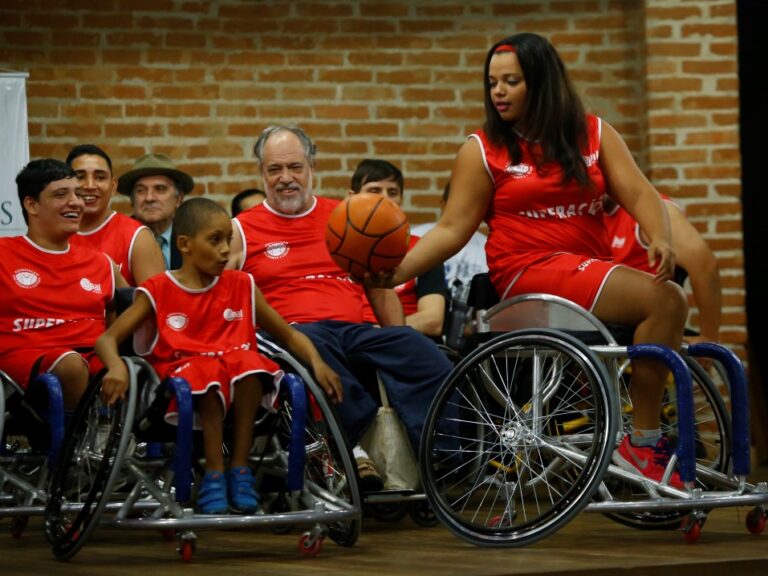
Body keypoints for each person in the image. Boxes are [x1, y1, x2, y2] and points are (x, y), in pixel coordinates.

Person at [375, 33, 689, 488]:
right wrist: (395, 272)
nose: (497, 92)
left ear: (540, 83)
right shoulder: (482, 149)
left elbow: (639, 192)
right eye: (492, 82)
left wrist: (660, 237)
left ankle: (634, 428)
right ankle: (642, 441)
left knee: (668, 300)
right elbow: (449, 230)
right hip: (526, 272)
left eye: (511, 81)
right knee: (665, 300)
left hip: (586, 268)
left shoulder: (594, 132)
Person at [228, 125, 454, 491]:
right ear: (261, 173)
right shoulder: (240, 230)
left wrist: (396, 334)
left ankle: (442, 454)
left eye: (295, 167)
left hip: (353, 330)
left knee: (423, 353)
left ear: (312, 166)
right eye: (274, 170)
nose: (286, 178)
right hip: (289, 334)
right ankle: (356, 445)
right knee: (310, 339)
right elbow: (221, 294)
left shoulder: (347, 218)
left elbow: (378, 288)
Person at [95, 197, 341, 515]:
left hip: (240, 387)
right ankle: (213, 472)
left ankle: (238, 470)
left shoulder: (242, 284)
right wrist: (115, 366)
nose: (226, 249)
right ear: (184, 244)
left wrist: (318, 363)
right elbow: (107, 339)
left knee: (250, 362)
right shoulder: (157, 289)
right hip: (178, 392)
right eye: (215, 240)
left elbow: (290, 334)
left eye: (228, 239)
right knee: (206, 372)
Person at [0, 159, 122, 411]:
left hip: (91, 356)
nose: (76, 202)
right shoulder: (4, 254)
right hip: (23, 363)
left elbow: (139, 306)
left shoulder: (101, 263)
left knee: (136, 369)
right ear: (31, 205)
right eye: (61, 194)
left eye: (77, 194)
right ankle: (77, 446)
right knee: (71, 365)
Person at [349, 159, 448, 339]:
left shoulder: (423, 249)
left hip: (399, 341)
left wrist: (377, 332)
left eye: (392, 192)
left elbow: (433, 321)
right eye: (374, 190)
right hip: (346, 340)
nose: (385, 198)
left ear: (401, 200)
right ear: (352, 197)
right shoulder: (337, 251)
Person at [603, 195, 722, 345]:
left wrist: (709, 338)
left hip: (642, 329)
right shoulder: (587, 214)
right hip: (606, 325)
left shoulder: (651, 210)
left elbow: (704, 265)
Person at [66, 145, 165, 286]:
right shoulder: (53, 233)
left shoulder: (136, 237)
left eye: (100, 177)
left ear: (113, 186)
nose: (89, 185)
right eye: (80, 177)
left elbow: (157, 303)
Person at [411, 183, 488, 304]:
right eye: (456, 205)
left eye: (470, 205)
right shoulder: (416, 237)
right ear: (443, 204)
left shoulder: (487, 247)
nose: (462, 210)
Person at [118, 153, 194, 270]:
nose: (149, 198)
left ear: (178, 199)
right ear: (132, 200)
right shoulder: (118, 239)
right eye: (141, 190)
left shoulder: (192, 239)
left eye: (160, 189)